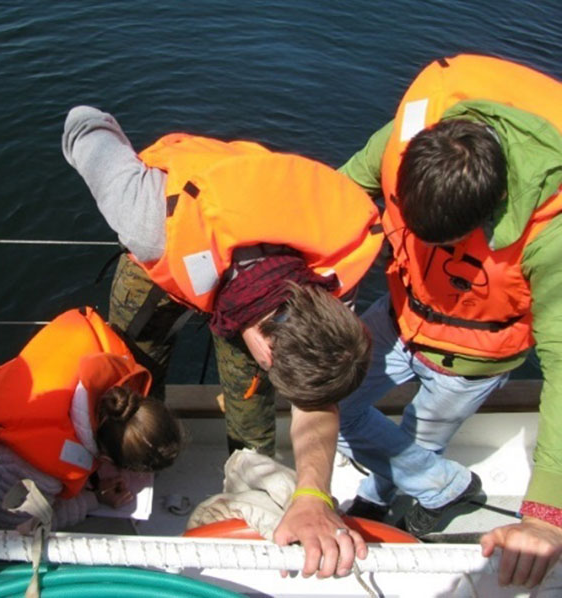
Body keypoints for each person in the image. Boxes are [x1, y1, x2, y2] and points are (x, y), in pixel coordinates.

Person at [63, 106, 383, 578]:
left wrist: (313, 496)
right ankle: (125, 461)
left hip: (255, 276)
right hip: (174, 247)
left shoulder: (337, 274)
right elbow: (83, 124)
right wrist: (107, 143)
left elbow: (318, 399)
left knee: (250, 404)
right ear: (268, 350)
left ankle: (245, 475)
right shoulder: (144, 216)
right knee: (132, 370)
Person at [336, 54, 562, 588]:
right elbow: (342, 194)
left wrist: (545, 514)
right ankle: (448, 489)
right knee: (331, 400)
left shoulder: (552, 236)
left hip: (471, 359)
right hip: (399, 314)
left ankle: (378, 500)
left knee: (421, 436)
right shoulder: (409, 134)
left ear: (492, 210)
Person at [0, 306, 182, 530]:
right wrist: (94, 499)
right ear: (108, 459)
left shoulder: (110, 354)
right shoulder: (33, 463)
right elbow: (5, 525)